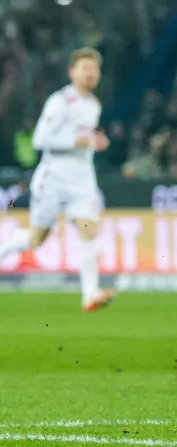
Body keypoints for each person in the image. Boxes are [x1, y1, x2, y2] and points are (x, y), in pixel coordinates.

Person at [0, 48, 114, 311]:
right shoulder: (60, 102)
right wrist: (77, 142)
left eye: (94, 69)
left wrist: (95, 142)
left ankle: (90, 294)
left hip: (82, 179)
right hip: (54, 177)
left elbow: (83, 137)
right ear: (71, 72)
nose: (90, 74)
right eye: (85, 68)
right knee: (35, 239)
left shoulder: (93, 105)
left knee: (88, 229)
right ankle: (9, 244)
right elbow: (41, 139)